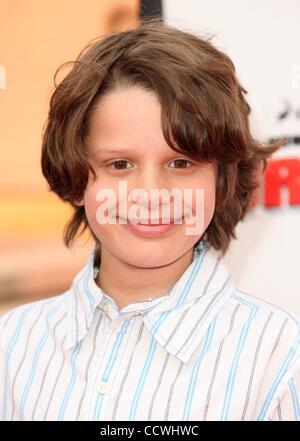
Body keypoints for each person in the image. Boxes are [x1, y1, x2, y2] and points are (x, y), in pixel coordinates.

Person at [0, 18, 299, 421]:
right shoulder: (12, 344)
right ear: (75, 176)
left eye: (181, 162)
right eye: (120, 164)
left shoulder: (279, 359)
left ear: (222, 177)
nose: (151, 194)